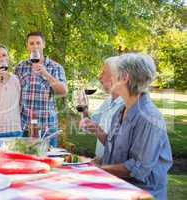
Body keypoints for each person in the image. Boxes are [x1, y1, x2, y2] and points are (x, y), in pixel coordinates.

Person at [80, 53, 173, 199]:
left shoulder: (149, 117)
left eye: (113, 75)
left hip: (141, 193)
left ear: (124, 78)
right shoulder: (121, 110)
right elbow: (113, 145)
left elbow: (138, 168)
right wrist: (94, 161)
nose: (109, 79)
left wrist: (98, 169)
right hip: (117, 187)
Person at [15, 32, 67, 147]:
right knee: (25, 161)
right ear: (27, 46)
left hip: (47, 125)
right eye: (31, 43)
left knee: (47, 161)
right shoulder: (20, 67)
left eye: (38, 43)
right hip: (25, 125)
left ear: (44, 44)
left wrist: (45, 73)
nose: (35, 46)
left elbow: (63, 91)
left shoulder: (56, 67)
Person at [89, 56, 123, 159]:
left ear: (115, 76)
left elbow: (115, 145)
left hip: (112, 167)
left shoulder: (125, 106)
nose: (99, 77)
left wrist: (96, 128)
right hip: (100, 162)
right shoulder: (108, 101)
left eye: (103, 72)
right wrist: (84, 109)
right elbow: (91, 126)